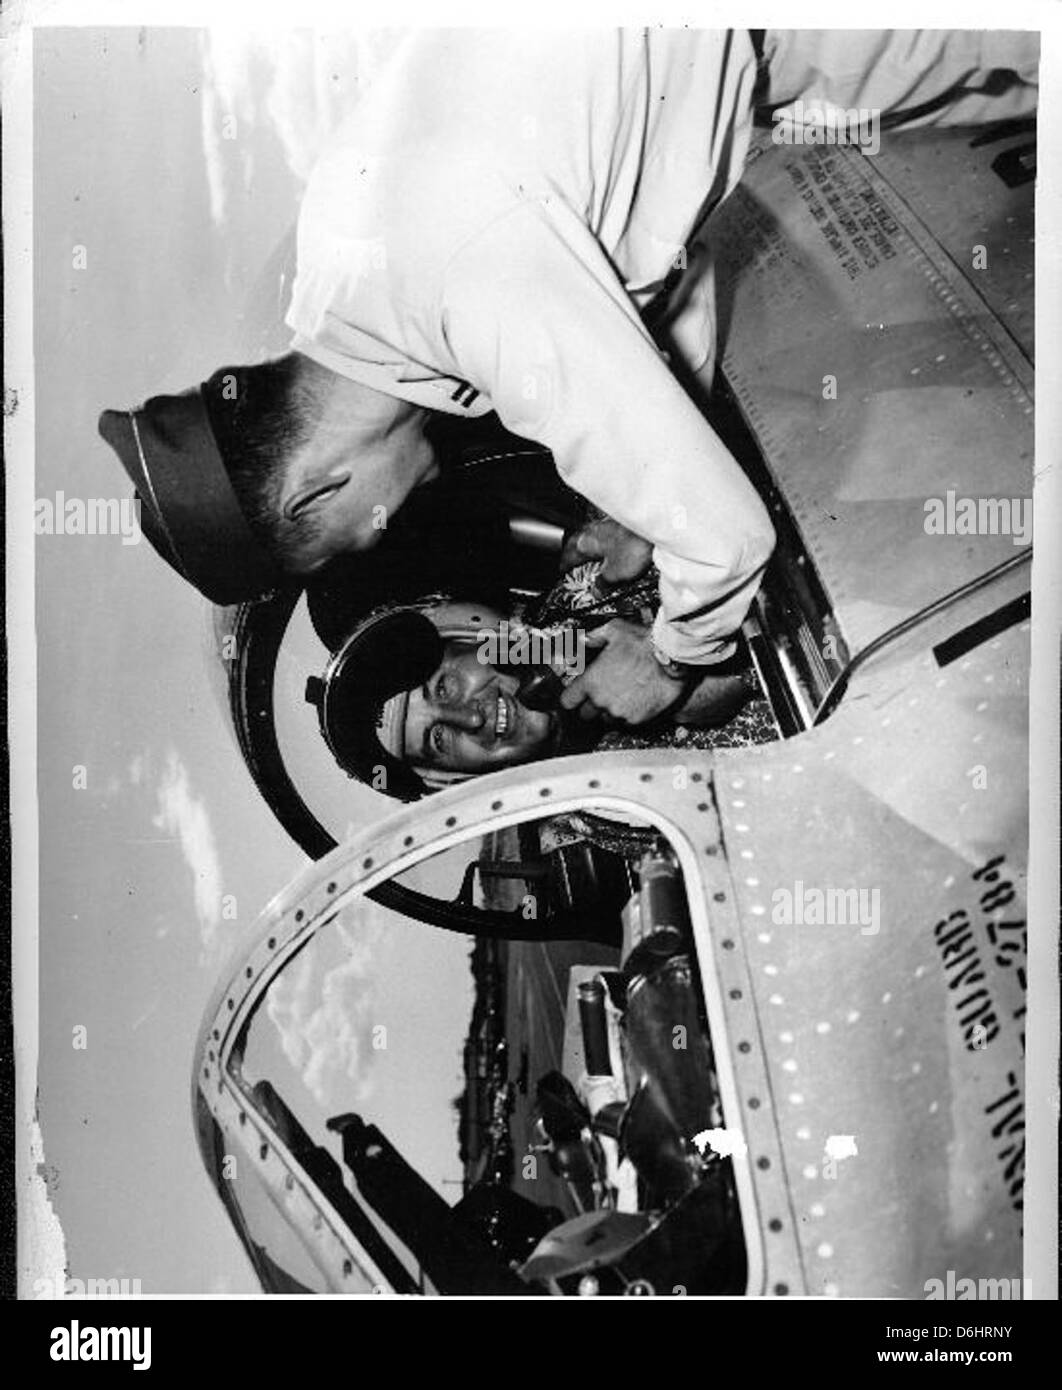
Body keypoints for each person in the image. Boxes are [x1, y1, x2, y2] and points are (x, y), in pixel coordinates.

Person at [98, 30, 1037, 726]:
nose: (376, 539)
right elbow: (657, 264)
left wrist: (669, 661)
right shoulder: (354, 264)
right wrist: (639, 509)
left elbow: (728, 540)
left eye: (342, 545)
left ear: (314, 493)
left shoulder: (457, 288)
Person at [306, 578, 761, 801]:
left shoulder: (598, 579)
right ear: (456, 777)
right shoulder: (606, 813)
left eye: (443, 687)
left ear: (467, 636)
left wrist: (670, 658)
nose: (472, 718)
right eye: (439, 740)